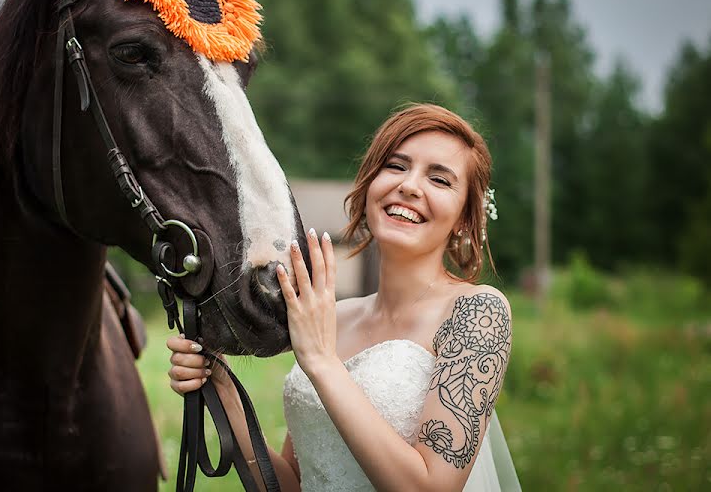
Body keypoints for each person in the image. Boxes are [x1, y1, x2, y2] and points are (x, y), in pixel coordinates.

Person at [167, 103, 521, 491]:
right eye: (397, 166)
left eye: (439, 180)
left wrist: (320, 360)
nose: (409, 185)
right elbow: (292, 484)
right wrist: (224, 390)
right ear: (370, 184)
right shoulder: (331, 317)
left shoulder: (477, 313)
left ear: (465, 220)